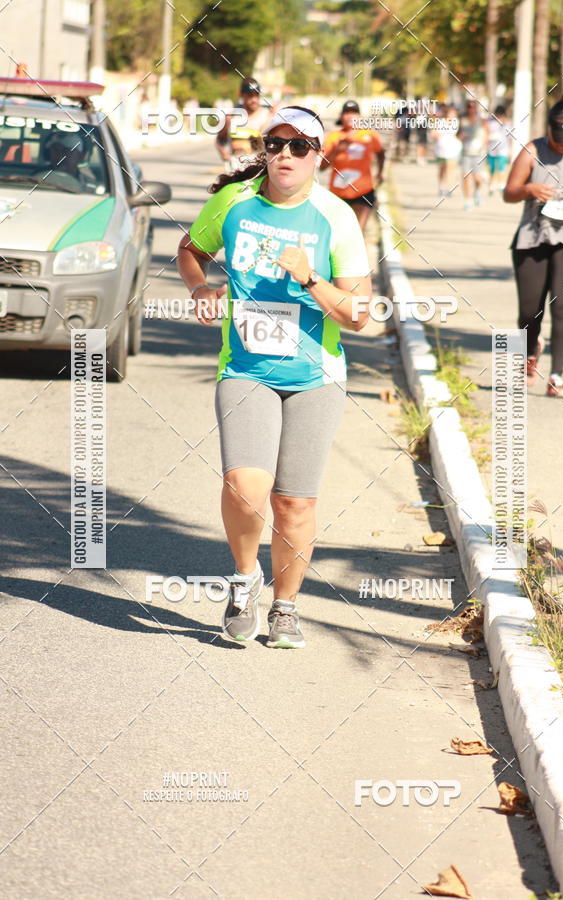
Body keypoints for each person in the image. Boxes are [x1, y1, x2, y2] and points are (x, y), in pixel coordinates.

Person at [177, 106, 371, 648]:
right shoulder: (233, 203)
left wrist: (309, 277)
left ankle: (285, 608)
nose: (285, 155)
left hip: (316, 376)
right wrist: (200, 290)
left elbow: (359, 314)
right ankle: (244, 581)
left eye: (299, 146)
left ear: (318, 155)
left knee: (294, 501)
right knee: (245, 485)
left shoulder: (336, 217)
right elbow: (190, 250)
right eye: (276, 144)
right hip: (244, 368)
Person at [504, 94, 563, 397]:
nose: (562, 146)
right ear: (549, 130)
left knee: (562, 307)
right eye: (557, 140)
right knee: (529, 310)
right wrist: (529, 188)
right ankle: (531, 350)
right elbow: (509, 193)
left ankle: (557, 376)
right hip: (534, 235)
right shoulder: (532, 150)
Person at [320, 99, 385, 233]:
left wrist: (380, 172)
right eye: (347, 113)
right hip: (339, 193)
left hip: (364, 191)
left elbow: (381, 153)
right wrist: (337, 149)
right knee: (338, 233)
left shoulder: (369, 135)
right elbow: (322, 167)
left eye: (354, 113)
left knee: (358, 233)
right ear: (341, 117)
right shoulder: (334, 136)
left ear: (359, 117)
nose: (350, 116)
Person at [215, 77, 271, 173]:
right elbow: (220, 139)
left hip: (259, 173)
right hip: (235, 172)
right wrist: (224, 153)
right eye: (250, 95)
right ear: (241, 95)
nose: (254, 99)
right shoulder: (231, 118)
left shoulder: (268, 117)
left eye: (256, 95)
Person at [458, 99, 488, 209]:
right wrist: (460, 137)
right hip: (466, 152)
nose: (471, 109)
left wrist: (485, 144)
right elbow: (458, 133)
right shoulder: (463, 120)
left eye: (473, 106)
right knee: (465, 176)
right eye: (469, 106)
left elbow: (487, 133)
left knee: (478, 178)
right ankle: (468, 200)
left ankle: (477, 192)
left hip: (479, 153)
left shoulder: (482, 120)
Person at [432, 104, 461, 197]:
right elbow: (434, 133)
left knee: (451, 168)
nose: (452, 115)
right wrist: (437, 136)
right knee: (442, 168)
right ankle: (441, 186)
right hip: (441, 149)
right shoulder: (440, 122)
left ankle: (449, 187)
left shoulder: (457, 122)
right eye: (451, 113)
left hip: (453, 148)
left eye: (454, 114)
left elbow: (460, 134)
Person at [486, 105, 512, 194]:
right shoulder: (490, 122)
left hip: (503, 149)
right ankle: (491, 185)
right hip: (491, 149)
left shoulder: (508, 124)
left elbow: (509, 137)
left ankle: (501, 184)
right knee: (492, 168)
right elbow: (486, 133)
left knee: (501, 167)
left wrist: (510, 150)